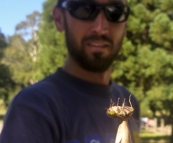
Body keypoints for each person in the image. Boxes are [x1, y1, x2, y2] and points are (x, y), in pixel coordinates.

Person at [0, 0, 140, 142]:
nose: (100, 27)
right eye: (84, 9)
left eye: (115, 12)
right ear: (59, 18)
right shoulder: (31, 110)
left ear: (125, 25)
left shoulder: (130, 101)